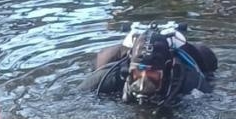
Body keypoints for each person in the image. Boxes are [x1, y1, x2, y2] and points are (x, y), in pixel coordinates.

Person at [88, 23, 217, 105]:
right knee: (101, 60)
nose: (143, 82)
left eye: (152, 75)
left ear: (167, 70)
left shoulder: (188, 78)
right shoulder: (112, 75)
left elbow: (210, 99)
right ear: (128, 69)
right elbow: (78, 95)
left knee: (206, 62)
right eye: (137, 73)